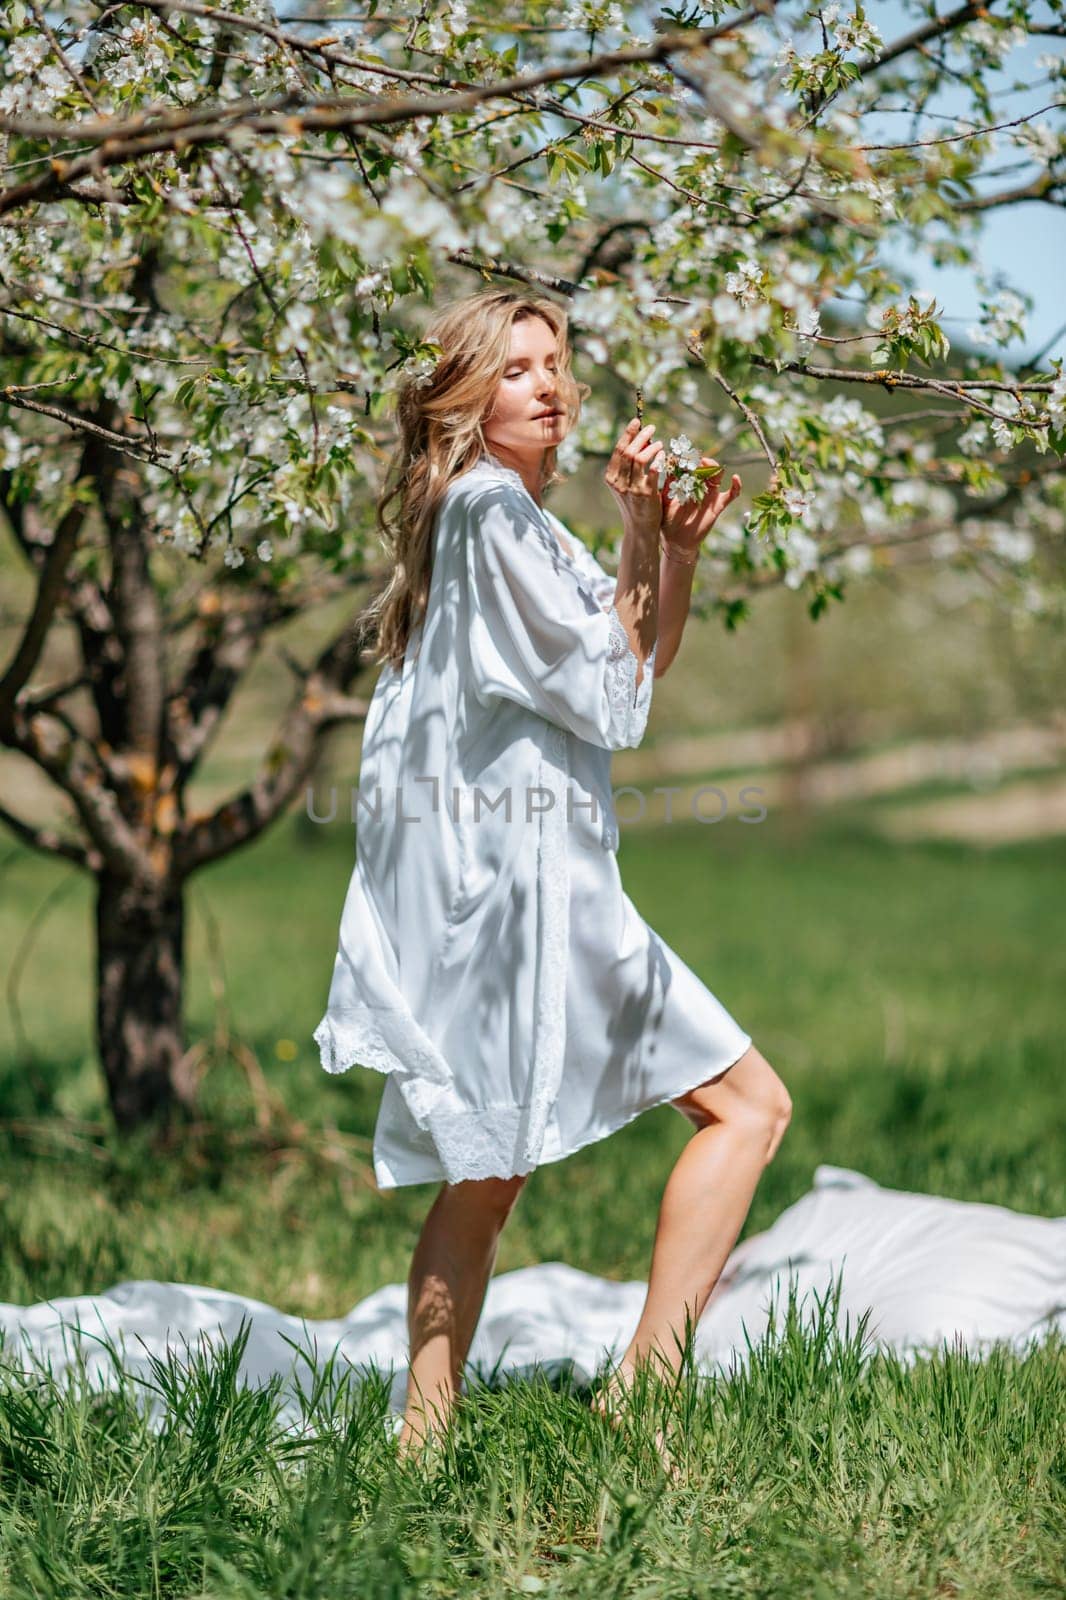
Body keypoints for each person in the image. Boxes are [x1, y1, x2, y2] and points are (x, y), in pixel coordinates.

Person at [313, 287, 793, 1460]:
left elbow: (640, 656)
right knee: (749, 1107)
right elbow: (609, 699)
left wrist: (666, 548)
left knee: (489, 1170)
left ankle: (422, 1446)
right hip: (536, 900)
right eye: (517, 368)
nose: (549, 384)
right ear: (466, 400)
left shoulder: (517, 524)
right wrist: (640, 541)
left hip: (526, 894)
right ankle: (645, 1391)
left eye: (556, 363)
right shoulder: (487, 516)